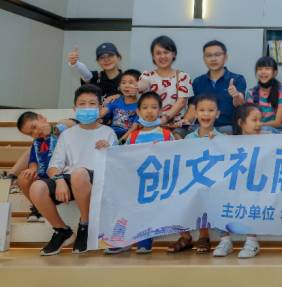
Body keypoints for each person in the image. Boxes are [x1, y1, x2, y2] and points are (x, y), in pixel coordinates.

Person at [29, 85, 117, 256]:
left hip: (96, 180)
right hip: (71, 178)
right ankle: (62, 230)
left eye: (92, 104)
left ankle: (85, 224)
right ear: (75, 108)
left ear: (100, 108)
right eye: (82, 104)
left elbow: (116, 166)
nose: (87, 108)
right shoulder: (67, 135)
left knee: (79, 173)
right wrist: (59, 180)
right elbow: (53, 167)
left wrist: (109, 150)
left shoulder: (108, 132)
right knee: (37, 187)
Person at [106, 92, 172, 255]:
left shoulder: (166, 135)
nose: (149, 111)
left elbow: (174, 158)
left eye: (154, 107)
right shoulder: (133, 136)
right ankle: (122, 240)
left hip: (158, 183)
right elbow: (123, 157)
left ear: (160, 111)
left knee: (147, 206)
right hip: (135, 182)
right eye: (145, 107)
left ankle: (145, 239)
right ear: (138, 111)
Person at [213, 104, 264, 258]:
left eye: (260, 120)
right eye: (254, 120)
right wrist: (212, 140)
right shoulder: (228, 141)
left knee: (252, 198)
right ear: (241, 123)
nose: (259, 124)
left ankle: (252, 241)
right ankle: (225, 240)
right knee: (215, 197)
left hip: (256, 188)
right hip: (233, 188)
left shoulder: (268, 140)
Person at [175, 94, 223, 254]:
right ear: (195, 113)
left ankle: (204, 236)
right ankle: (185, 235)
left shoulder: (222, 138)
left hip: (213, 182)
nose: (206, 114)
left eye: (211, 110)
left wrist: (217, 143)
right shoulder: (189, 138)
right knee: (177, 192)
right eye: (202, 110)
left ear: (217, 114)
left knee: (202, 191)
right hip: (191, 179)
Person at [15, 112, 66, 223]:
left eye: (34, 127)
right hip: (42, 179)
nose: (35, 132)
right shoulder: (36, 143)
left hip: (59, 177)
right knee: (23, 178)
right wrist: (32, 170)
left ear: (41, 118)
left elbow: (70, 124)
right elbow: (33, 162)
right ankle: (38, 208)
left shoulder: (60, 132)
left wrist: (52, 130)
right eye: (30, 133)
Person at [191, 40, 247, 135]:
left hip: (227, 128)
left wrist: (236, 95)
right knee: (180, 132)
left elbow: (240, 103)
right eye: (209, 55)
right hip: (202, 127)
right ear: (204, 59)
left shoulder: (237, 79)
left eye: (217, 55)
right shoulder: (197, 82)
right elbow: (192, 108)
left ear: (225, 57)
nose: (213, 59)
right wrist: (185, 121)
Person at [139, 35, 193, 132]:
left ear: (174, 54)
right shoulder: (147, 75)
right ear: (153, 56)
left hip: (177, 127)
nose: (162, 56)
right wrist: (136, 86)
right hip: (151, 125)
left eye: (166, 52)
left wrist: (164, 119)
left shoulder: (182, 76)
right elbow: (142, 84)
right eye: (158, 53)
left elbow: (181, 102)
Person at [244, 56, 282, 133]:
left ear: (275, 72)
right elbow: (250, 118)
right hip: (256, 130)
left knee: (264, 130)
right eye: (260, 69)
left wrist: (260, 125)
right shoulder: (251, 93)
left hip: (276, 132)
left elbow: (277, 123)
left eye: (267, 69)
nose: (263, 72)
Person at [100, 69, 140, 138]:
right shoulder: (115, 100)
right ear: (119, 86)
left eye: (131, 83)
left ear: (139, 85)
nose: (126, 86)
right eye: (123, 83)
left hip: (128, 138)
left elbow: (134, 128)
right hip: (111, 136)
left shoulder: (140, 106)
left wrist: (121, 141)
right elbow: (101, 113)